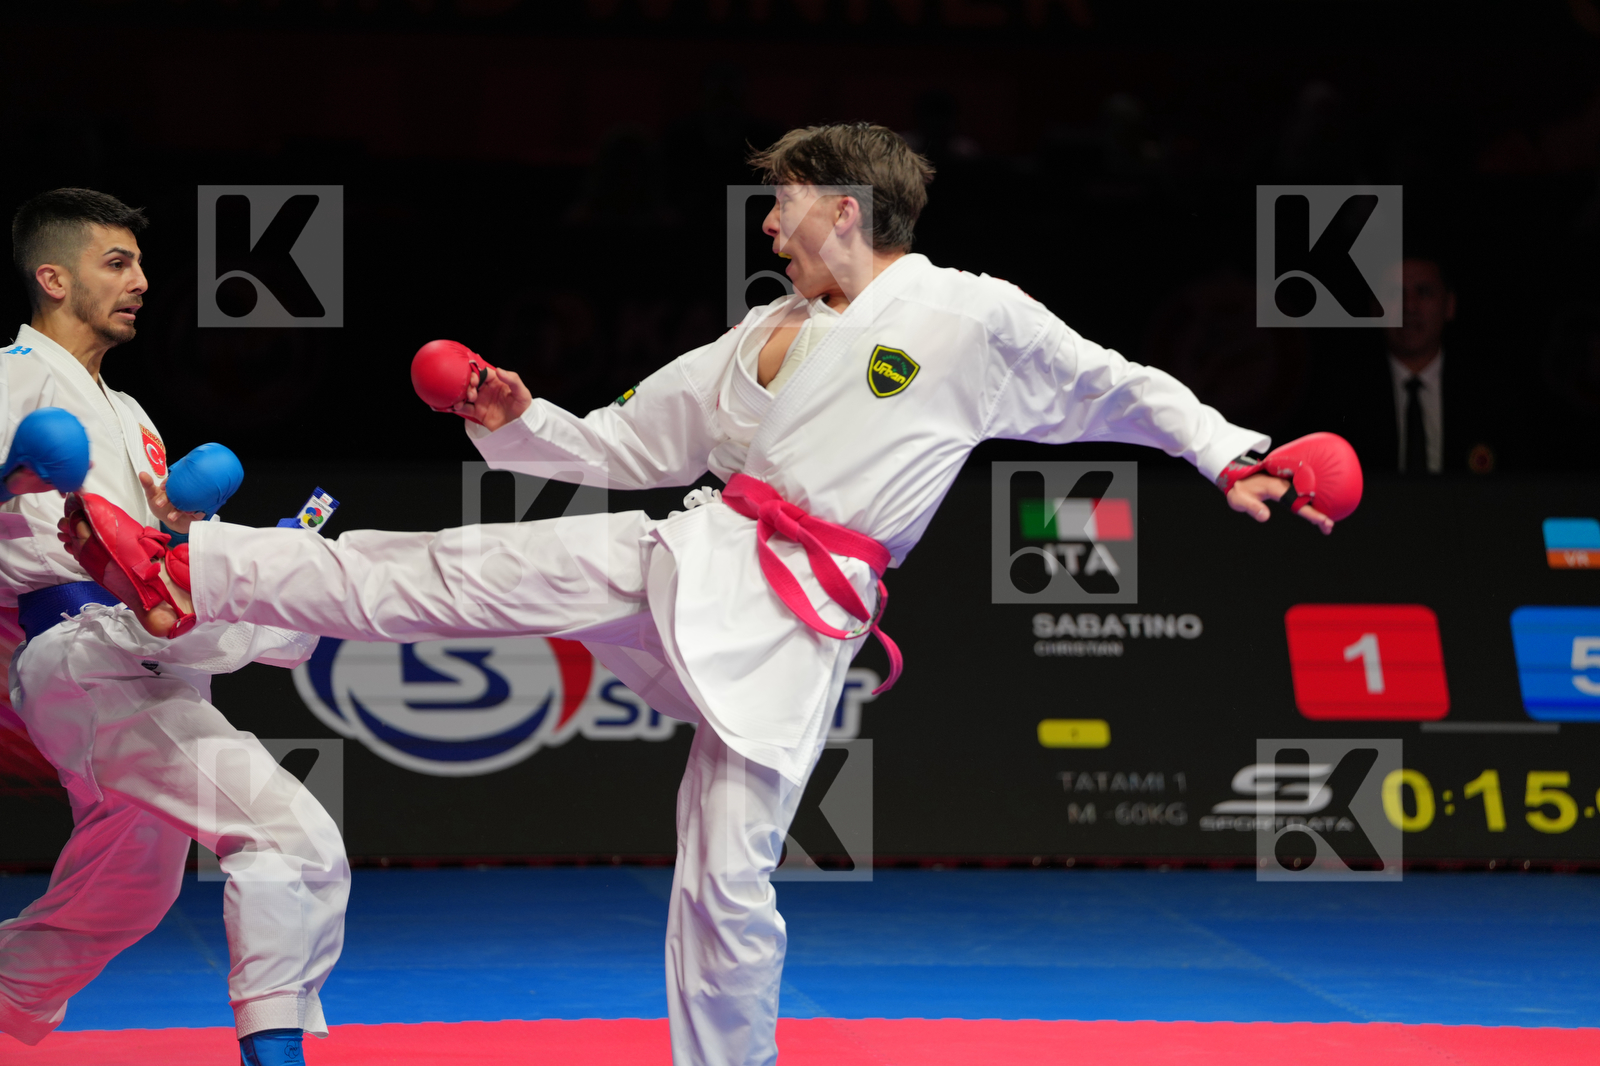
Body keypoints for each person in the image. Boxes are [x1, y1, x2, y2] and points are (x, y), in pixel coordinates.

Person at [65, 125, 1339, 1066]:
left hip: (798, 625)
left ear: (844, 207)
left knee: (727, 878)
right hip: (700, 554)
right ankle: (195, 564)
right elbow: (622, 447)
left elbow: (1116, 383)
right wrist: (521, 417)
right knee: (463, 570)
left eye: (784, 208)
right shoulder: (756, 334)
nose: (770, 228)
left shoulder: (966, 315)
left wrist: (1229, 453)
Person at [0, 188, 348, 1066]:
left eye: (141, 265)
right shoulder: (9, 377)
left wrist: (195, 537)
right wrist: (9, 472)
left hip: (148, 650)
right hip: (83, 655)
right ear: (52, 277)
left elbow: (159, 551)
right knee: (286, 838)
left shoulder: (131, 415)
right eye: (116, 264)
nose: (142, 282)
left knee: (120, 897)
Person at [1319, 255, 1499, 474]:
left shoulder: (1488, 394)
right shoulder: (1341, 395)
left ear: (1449, 305)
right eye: (1395, 294)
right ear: (1375, 308)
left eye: (1423, 292)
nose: (1409, 306)